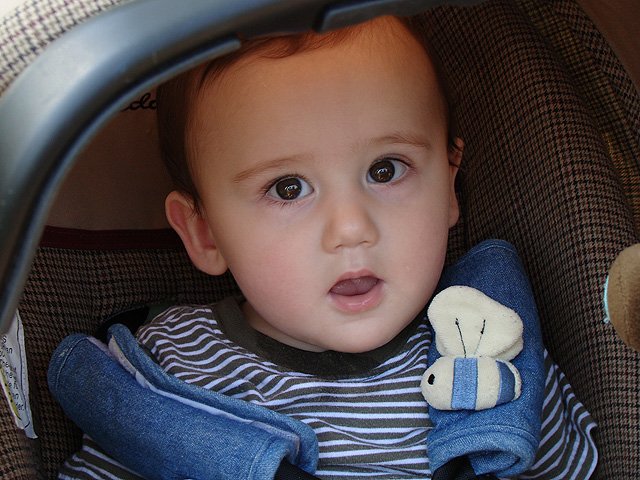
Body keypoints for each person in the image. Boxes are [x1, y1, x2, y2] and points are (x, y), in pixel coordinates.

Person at [53, 15, 597, 480]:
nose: (351, 228)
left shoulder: (485, 342)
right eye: (288, 188)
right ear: (205, 233)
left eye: (386, 170)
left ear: (449, 187)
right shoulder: (172, 367)